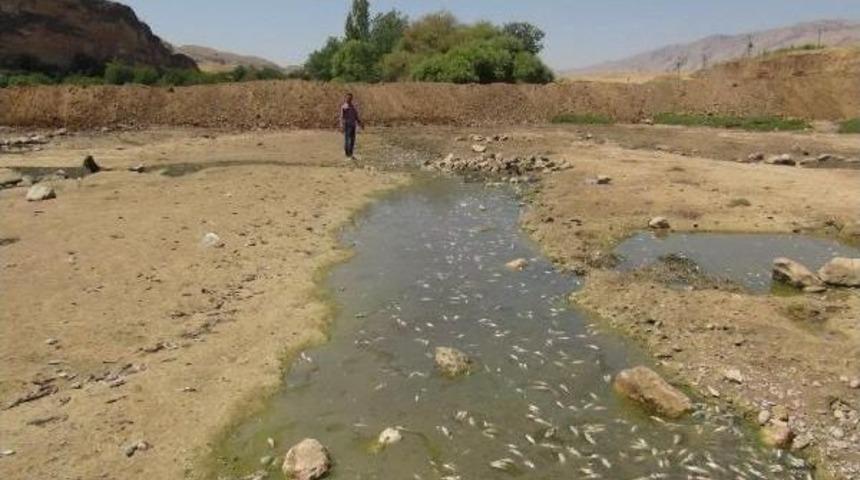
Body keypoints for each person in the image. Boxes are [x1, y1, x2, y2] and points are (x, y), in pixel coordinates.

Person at [339, 93, 363, 159]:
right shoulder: (344, 107)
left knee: (352, 140)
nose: (349, 99)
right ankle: (347, 153)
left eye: (350, 98)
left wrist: (360, 123)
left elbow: (356, 116)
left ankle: (351, 153)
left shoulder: (353, 107)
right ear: (346, 98)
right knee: (347, 139)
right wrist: (341, 126)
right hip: (347, 125)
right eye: (348, 98)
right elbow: (342, 117)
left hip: (353, 125)